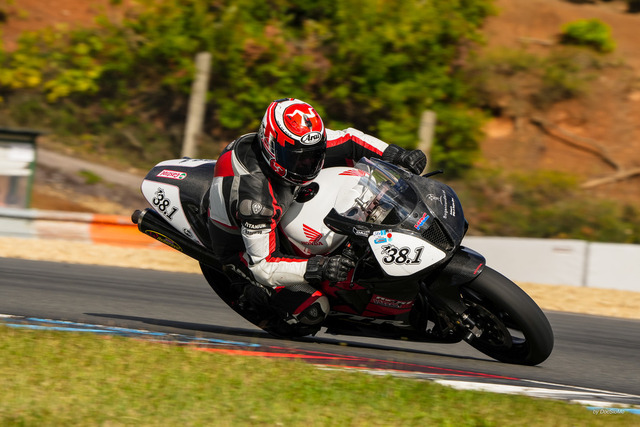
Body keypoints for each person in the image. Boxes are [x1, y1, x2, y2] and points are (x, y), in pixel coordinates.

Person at [208, 98, 426, 335]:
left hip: (282, 208)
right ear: (271, 147)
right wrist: (319, 267)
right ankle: (261, 301)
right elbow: (263, 266)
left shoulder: (296, 142)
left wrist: (397, 154)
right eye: (299, 158)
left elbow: (350, 140)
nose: (308, 163)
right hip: (243, 251)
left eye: (314, 155)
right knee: (312, 311)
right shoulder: (257, 201)